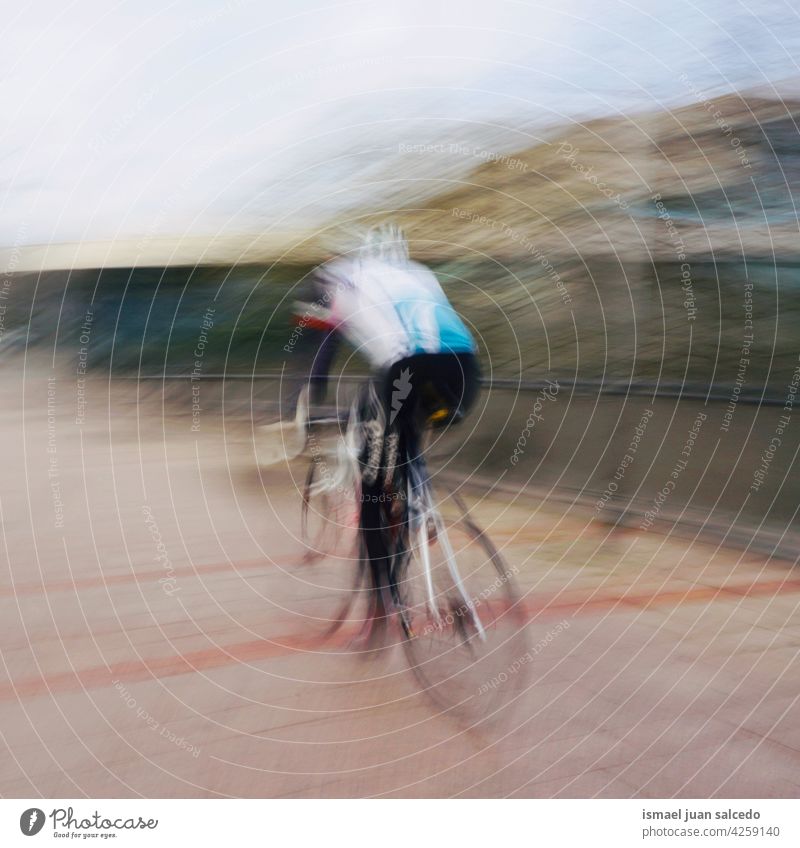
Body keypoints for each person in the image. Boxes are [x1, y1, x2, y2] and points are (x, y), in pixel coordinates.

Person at [291, 224, 480, 647]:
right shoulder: (419, 273)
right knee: (403, 438)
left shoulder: (340, 277)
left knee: (374, 490)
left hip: (406, 370)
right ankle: (416, 500)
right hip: (464, 370)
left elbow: (322, 352)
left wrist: (304, 402)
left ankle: (381, 611)